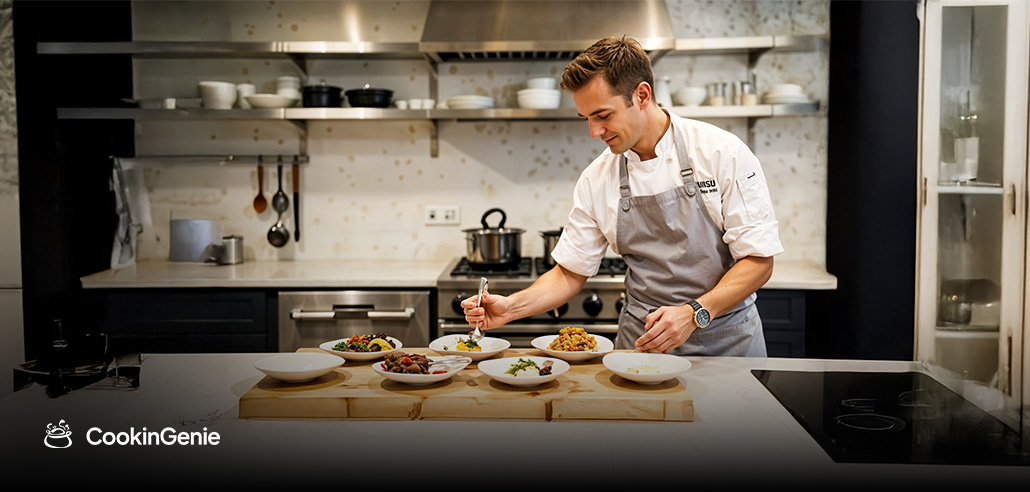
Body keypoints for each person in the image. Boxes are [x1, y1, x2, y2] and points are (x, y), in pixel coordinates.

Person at [462, 35, 783, 356]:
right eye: (586, 118)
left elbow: (758, 261)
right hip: (643, 346)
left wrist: (694, 312)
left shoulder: (721, 153)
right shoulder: (597, 178)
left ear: (642, 95)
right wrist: (512, 307)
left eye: (602, 115)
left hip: (725, 341)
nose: (594, 132)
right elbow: (570, 272)